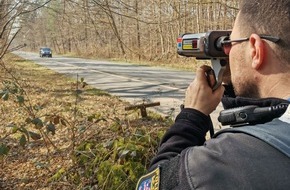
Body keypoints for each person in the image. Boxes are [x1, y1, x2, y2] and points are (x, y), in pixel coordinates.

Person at [136, 0, 290, 189]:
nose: (227, 52)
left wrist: (191, 117)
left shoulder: (216, 163)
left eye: (231, 43)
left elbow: (152, 185)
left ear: (255, 50)